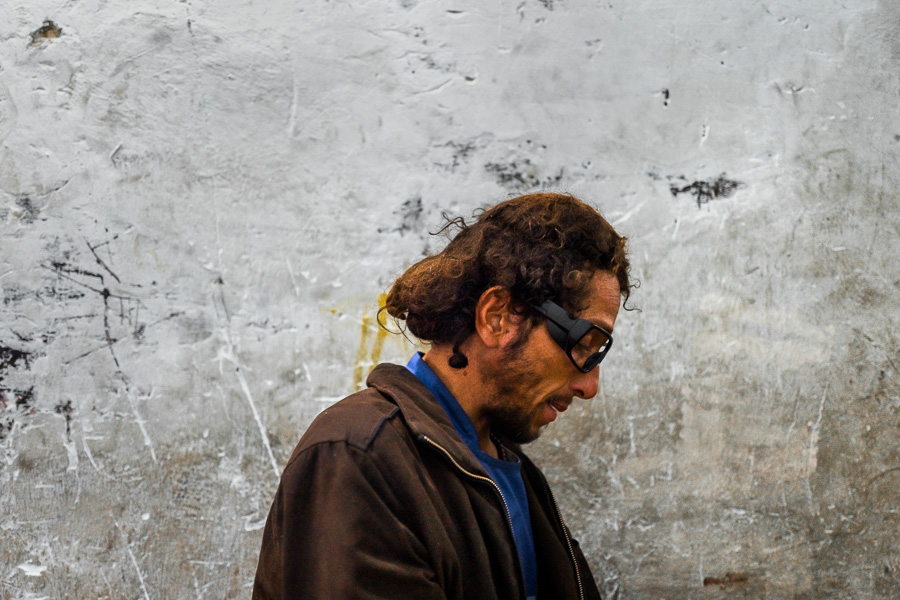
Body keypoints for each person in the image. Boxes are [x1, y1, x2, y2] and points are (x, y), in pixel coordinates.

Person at [252, 192, 631, 600]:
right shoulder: (356, 456)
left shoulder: (510, 472)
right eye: (583, 344)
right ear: (497, 317)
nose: (589, 386)